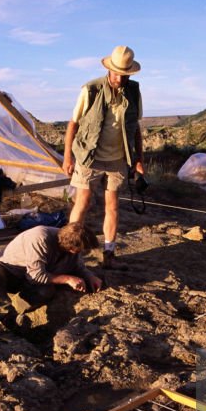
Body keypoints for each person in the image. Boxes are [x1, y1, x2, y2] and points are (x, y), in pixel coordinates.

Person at [61, 45, 145, 268]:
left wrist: (138, 160)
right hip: (90, 156)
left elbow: (135, 127)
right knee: (83, 202)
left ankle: (109, 254)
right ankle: (69, 254)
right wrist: (67, 157)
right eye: (116, 72)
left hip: (118, 158)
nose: (119, 77)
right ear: (109, 70)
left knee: (113, 206)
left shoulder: (134, 91)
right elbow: (73, 124)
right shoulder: (91, 90)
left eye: (124, 73)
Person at [0, 222, 102, 326]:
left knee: (46, 291)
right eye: (79, 251)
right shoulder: (40, 238)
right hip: (10, 272)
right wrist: (67, 279)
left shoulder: (73, 245)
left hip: (29, 281)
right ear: (70, 248)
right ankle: (5, 317)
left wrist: (90, 276)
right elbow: (37, 275)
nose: (82, 253)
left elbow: (77, 266)